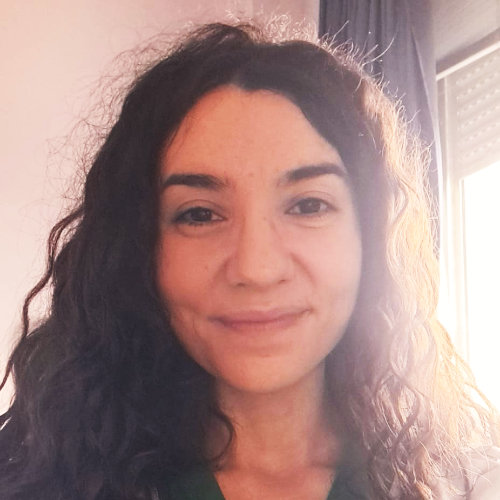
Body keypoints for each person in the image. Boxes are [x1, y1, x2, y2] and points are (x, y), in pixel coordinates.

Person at [0, 21, 499, 500]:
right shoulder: (36, 481)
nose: (256, 270)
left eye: (309, 205)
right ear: (137, 249)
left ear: (370, 236)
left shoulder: (472, 484)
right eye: (199, 214)